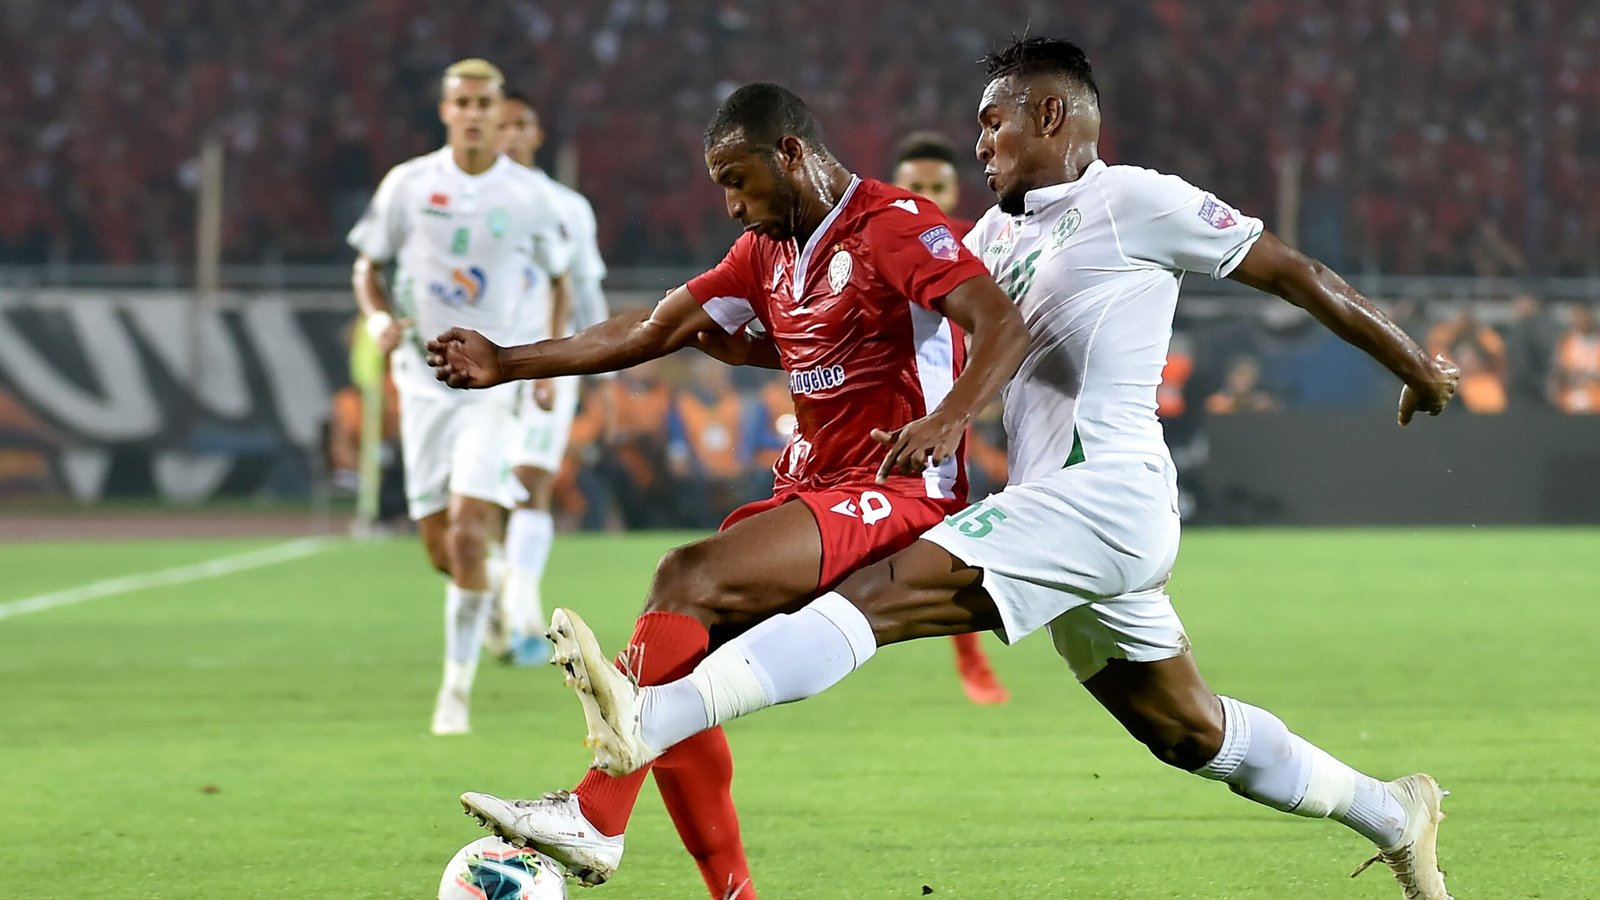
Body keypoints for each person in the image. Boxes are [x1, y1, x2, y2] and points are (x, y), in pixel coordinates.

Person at [535, 39, 1463, 900]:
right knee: (1188, 730)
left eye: (993, 120)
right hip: (1055, 513)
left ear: (1051, 116)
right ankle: (1391, 809)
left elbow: (1296, 272)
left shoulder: (1136, 200)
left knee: (882, 594)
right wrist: (759, 346)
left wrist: (1416, 365)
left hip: (1105, 495)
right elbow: (891, 340)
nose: (979, 141)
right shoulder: (993, 238)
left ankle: (650, 723)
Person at [429, 82, 1029, 898]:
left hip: (901, 488)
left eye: (737, 180)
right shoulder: (765, 254)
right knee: (673, 662)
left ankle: (596, 817)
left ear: (790, 154)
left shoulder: (889, 225)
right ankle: (726, 891)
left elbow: (1001, 322)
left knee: (687, 576)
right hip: (813, 484)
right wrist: (507, 361)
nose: (731, 204)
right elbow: (649, 329)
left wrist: (953, 419)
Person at [347, 58, 572, 735]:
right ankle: (500, 585)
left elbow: (559, 279)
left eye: (485, 105)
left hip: (488, 386)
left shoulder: (529, 195)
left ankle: (455, 696)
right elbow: (367, 265)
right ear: (445, 111)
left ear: (499, 115)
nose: (474, 115)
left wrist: (545, 365)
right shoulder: (408, 185)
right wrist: (378, 318)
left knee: (470, 535)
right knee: (443, 552)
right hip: (422, 389)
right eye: (463, 103)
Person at [492, 88, 613, 665]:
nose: (511, 134)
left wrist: (605, 359)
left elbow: (585, 287)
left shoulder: (566, 206)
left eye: (522, 124)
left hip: (549, 361)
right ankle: (499, 598)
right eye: (502, 124)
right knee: (486, 491)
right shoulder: (470, 205)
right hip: (482, 365)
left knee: (532, 477)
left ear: (536, 134)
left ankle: (520, 612)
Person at [891, 130, 1009, 705]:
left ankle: (973, 660)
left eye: (936, 187)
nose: (926, 197)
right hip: (869, 410)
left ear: (956, 190)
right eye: (914, 187)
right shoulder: (869, 242)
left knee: (946, 528)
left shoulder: (973, 243)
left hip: (941, 414)